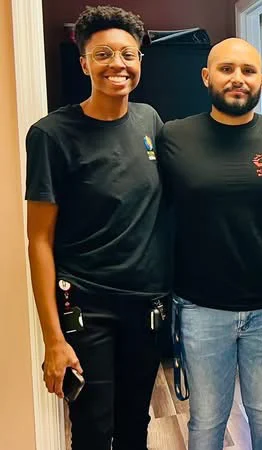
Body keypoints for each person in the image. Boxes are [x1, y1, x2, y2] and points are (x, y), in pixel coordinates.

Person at [25, 6, 168, 449]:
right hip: (87, 306)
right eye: (102, 54)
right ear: (83, 62)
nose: (117, 65)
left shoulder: (150, 121)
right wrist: (52, 338)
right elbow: (39, 239)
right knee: (91, 427)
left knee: (134, 426)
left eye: (128, 53)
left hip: (146, 302)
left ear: (140, 60)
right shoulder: (51, 135)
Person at [156, 38, 262, 450]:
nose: (237, 78)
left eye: (248, 70)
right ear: (207, 76)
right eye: (226, 69)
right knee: (207, 418)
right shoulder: (173, 137)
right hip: (201, 306)